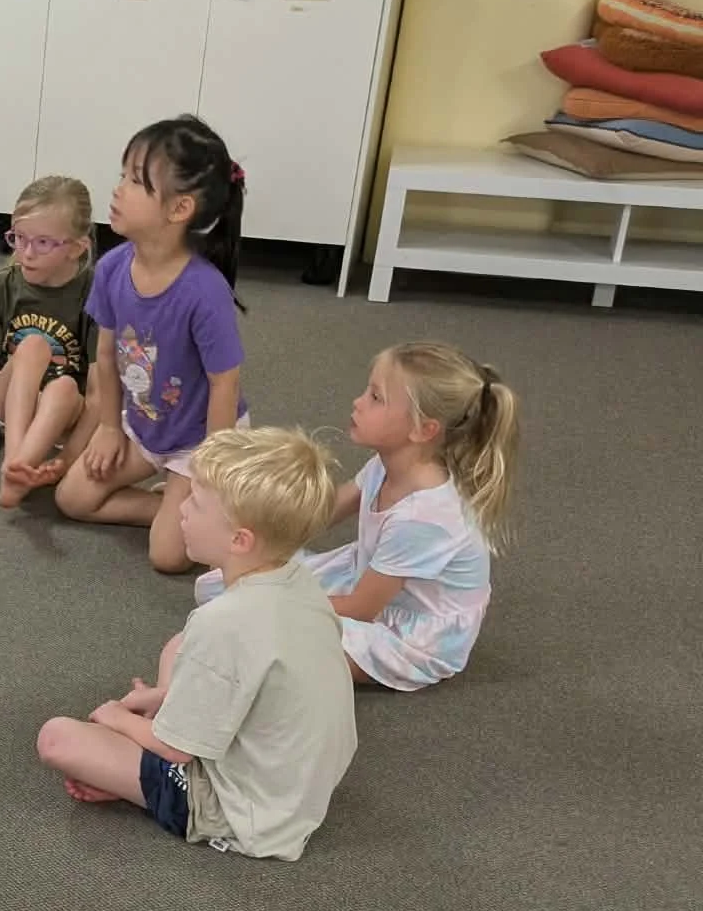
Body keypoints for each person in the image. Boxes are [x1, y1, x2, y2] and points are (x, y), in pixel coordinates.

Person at [36, 428, 356, 862]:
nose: (180, 509)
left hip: (242, 811)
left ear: (240, 540)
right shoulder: (299, 583)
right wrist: (168, 697)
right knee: (179, 644)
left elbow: (176, 750)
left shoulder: (224, 622)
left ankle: (145, 792)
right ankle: (158, 731)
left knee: (58, 739)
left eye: (195, 502)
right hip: (293, 785)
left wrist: (115, 718)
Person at [199, 341, 521, 689]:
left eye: (375, 398)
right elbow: (322, 513)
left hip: (408, 635)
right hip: (367, 578)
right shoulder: (388, 466)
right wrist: (259, 529)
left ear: (422, 429)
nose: (358, 402)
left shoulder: (424, 518)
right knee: (219, 585)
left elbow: (360, 608)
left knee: (260, 630)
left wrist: (264, 598)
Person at [54, 115, 250, 571]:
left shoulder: (204, 291)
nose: (118, 188)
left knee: (168, 557)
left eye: (136, 182)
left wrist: (209, 469)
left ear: (179, 209)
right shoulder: (111, 268)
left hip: (198, 441)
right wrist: (108, 427)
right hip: (143, 425)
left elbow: (226, 385)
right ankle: (167, 510)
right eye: (122, 175)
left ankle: (197, 507)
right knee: (72, 498)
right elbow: (105, 355)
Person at [0, 176, 98, 508]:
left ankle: (19, 468)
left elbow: (99, 392)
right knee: (33, 345)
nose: (26, 253)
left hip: (63, 413)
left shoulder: (96, 294)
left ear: (77, 247)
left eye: (44, 243)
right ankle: (15, 462)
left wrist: (70, 457)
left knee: (62, 387)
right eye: (19, 239)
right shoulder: (4, 286)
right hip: (11, 401)